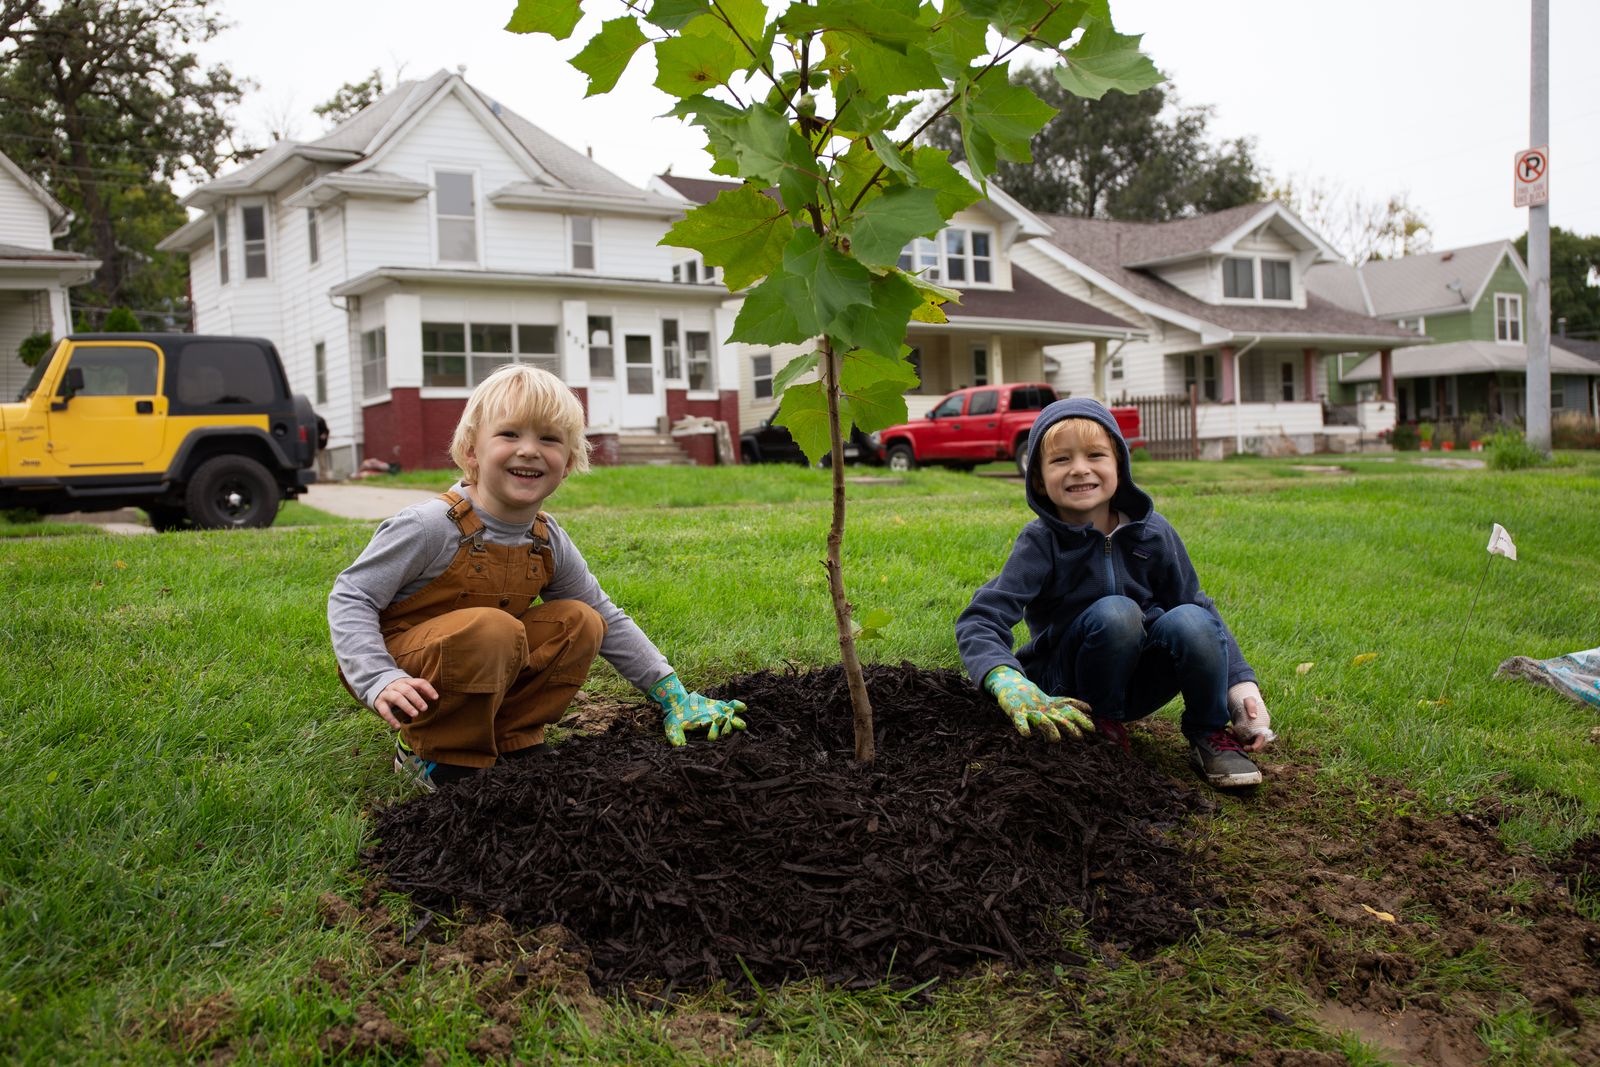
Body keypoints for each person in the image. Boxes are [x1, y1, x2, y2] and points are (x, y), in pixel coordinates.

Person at [328, 364, 746, 791]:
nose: (529, 450)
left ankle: (511, 738)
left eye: (549, 439)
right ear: (472, 450)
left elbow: (607, 616)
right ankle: (433, 753)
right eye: (509, 434)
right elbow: (352, 595)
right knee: (494, 628)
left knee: (582, 621)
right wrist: (378, 676)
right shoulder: (430, 525)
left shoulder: (544, 539)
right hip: (408, 668)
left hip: (481, 650)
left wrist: (671, 692)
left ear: (567, 463)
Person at [955, 397, 1273, 788]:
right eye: (1060, 460)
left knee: (1192, 618)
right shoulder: (1040, 542)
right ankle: (1100, 732)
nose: (1079, 469)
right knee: (1117, 613)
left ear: (1119, 466)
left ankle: (1209, 734)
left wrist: (1240, 688)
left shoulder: (1153, 533)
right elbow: (981, 617)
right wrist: (1005, 679)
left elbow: (1198, 607)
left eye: (1095, 455)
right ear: (1037, 478)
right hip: (1069, 689)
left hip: (1140, 682)